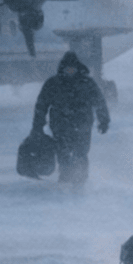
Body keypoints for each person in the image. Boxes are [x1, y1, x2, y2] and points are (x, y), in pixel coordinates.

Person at [30, 51, 110, 184]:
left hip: (82, 125)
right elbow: (41, 105)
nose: (70, 71)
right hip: (61, 126)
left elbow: (99, 102)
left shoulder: (87, 83)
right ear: (63, 68)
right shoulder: (53, 83)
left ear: (78, 68)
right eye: (68, 68)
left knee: (81, 153)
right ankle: (65, 177)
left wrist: (104, 120)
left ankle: (81, 179)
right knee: (63, 153)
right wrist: (37, 126)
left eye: (73, 68)